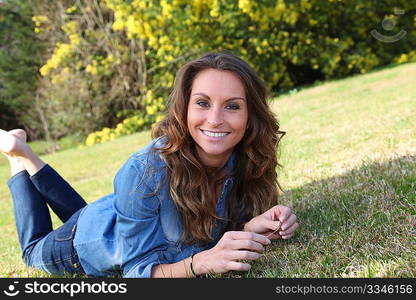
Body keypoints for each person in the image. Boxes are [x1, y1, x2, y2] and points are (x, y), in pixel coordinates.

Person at [0, 51, 298, 278]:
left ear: (250, 116)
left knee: (81, 213)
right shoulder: (145, 170)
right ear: (183, 108)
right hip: (82, 243)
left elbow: (215, 224)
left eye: (232, 106)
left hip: (112, 213)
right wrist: (200, 263)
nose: (216, 119)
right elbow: (135, 273)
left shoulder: (244, 157)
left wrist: (252, 226)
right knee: (32, 251)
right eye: (203, 103)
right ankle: (18, 157)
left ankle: (28, 156)